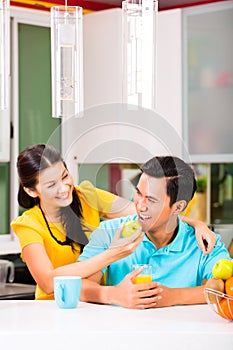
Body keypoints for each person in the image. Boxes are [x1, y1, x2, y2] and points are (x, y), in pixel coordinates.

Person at [11, 145, 215, 300]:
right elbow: (48, 283)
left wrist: (197, 224)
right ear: (31, 190)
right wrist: (114, 253)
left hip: (90, 307)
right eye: (51, 184)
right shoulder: (28, 226)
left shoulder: (85, 196)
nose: (64, 188)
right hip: (54, 308)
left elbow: (144, 212)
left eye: (65, 176)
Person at [78, 156, 231, 309]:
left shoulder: (204, 242)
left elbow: (227, 287)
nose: (140, 206)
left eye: (151, 200)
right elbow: (77, 285)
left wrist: (173, 296)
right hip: (121, 330)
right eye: (138, 193)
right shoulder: (110, 232)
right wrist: (114, 295)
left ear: (178, 207)